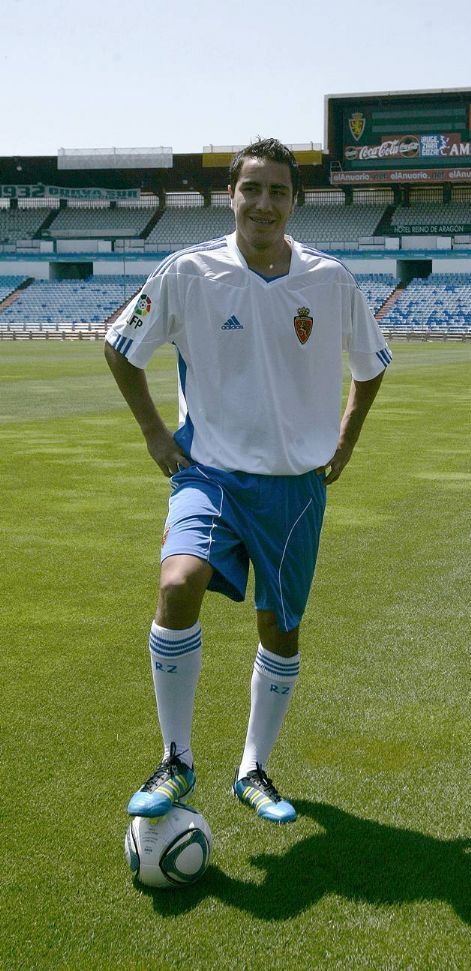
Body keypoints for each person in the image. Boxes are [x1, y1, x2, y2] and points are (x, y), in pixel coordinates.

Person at [104, 138, 392, 824]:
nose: (264, 203)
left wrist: (345, 440)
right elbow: (121, 344)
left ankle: (252, 767)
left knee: (280, 629)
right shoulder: (188, 271)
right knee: (177, 584)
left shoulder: (330, 280)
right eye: (251, 189)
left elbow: (372, 363)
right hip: (211, 472)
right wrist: (152, 431)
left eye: (278, 191)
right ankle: (176, 757)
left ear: (294, 201)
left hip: (294, 488)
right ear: (230, 196)